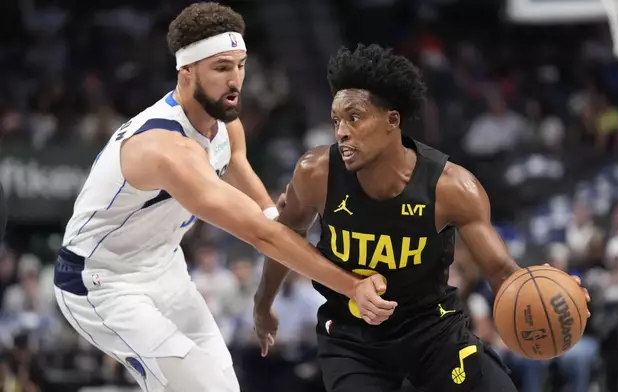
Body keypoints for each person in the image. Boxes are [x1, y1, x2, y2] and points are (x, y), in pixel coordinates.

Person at [52, 5, 394, 392]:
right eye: (220, 68)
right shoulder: (167, 150)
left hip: (164, 267)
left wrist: (271, 212)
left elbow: (236, 164)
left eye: (241, 65)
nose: (236, 81)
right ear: (186, 73)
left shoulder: (224, 121)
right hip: (101, 281)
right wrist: (352, 286)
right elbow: (261, 236)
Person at [253, 44, 589, 392]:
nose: (341, 132)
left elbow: (501, 272)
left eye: (354, 118)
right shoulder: (316, 173)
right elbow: (283, 239)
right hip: (353, 337)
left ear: (392, 120)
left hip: (431, 329)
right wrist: (262, 305)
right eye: (336, 121)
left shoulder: (452, 188)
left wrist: (554, 297)